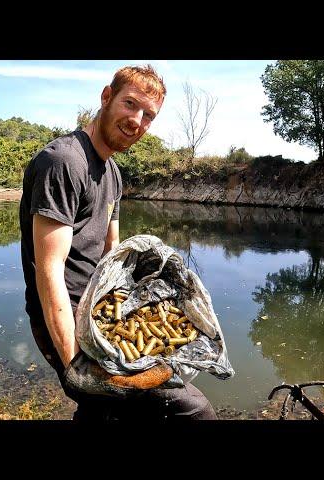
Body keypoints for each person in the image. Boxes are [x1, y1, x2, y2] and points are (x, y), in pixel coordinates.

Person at [19, 65, 216, 420]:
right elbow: (48, 272)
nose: (137, 120)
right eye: (130, 104)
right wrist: (75, 365)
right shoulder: (63, 162)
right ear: (106, 97)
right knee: (194, 410)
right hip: (64, 317)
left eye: (149, 116)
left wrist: (142, 302)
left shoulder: (112, 172)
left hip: (100, 313)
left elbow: (114, 255)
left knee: (105, 412)